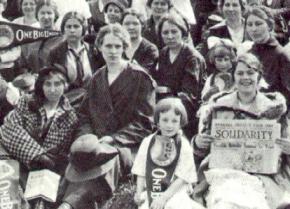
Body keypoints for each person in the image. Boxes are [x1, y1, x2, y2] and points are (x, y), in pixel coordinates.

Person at [57, 23, 155, 209]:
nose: (113, 51)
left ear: (125, 47)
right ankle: (66, 201)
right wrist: (88, 137)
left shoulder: (140, 77)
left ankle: (70, 204)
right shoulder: (97, 77)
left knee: (106, 163)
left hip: (126, 144)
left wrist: (113, 138)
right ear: (99, 47)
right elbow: (84, 114)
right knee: (81, 156)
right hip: (97, 141)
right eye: (108, 46)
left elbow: (145, 122)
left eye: (117, 46)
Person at [192, 53, 290, 209]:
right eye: (240, 73)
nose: (246, 77)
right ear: (233, 77)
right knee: (225, 201)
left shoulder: (274, 109)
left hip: (262, 177)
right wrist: (199, 143)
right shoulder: (219, 106)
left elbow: (285, 152)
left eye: (251, 73)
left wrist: (288, 149)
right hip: (225, 174)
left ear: (259, 76)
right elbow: (201, 151)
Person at [0, 64, 78, 201]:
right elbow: (9, 129)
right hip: (11, 157)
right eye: (48, 84)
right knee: (8, 194)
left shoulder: (70, 117)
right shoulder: (28, 102)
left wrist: (46, 160)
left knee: (40, 199)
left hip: (40, 170)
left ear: (65, 85)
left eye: (57, 84)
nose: (52, 89)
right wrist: (38, 155)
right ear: (41, 85)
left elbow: (58, 153)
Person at [132, 97, 204, 209]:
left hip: (176, 190)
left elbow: (183, 176)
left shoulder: (184, 145)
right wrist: (138, 191)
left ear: (180, 123)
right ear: (157, 121)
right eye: (165, 120)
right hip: (154, 188)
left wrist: (164, 198)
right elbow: (140, 168)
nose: (169, 125)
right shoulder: (148, 142)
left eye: (174, 121)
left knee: (173, 206)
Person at [155, 12, 205, 138]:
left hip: (186, 115)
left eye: (174, 31)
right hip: (165, 110)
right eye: (165, 32)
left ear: (182, 32)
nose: (170, 36)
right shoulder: (164, 53)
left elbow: (189, 96)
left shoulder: (192, 57)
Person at [48, 11, 100, 107]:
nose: (72, 30)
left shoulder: (94, 51)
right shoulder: (55, 53)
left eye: (76, 26)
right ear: (63, 29)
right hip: (68, 102)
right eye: (68, 27)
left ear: (83, 29)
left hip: (93, 101)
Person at [246, 6, 290, 103]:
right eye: (249, 24)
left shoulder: (281, 55)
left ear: (269, 26)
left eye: (258, 24)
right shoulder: (248, 54)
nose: (253, 29)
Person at [21, 0, 64, 74]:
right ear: (37, 15)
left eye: (49, 13)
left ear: (55, 15)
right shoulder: (30, 37)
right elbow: (23, 64)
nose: (46, 17)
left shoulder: (62, 38)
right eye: (42, 13)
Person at [122, 8, 159, 76]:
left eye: (135, 24)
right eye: (127, 24)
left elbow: (145, 74)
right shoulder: (118, 46)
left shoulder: (150, 49)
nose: (131, 27)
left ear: (142, 25)